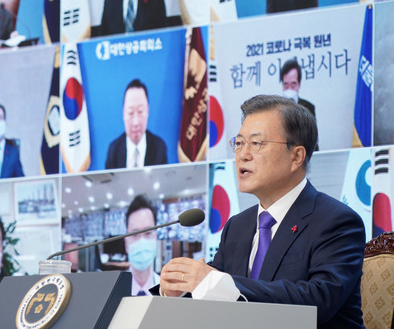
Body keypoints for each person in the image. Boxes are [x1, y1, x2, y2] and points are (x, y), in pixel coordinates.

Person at [156, 95, 365, 328]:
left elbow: (318, 300)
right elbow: (218, 293)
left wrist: (215, 282)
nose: (242, 155)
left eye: (256, 144)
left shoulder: (336, 221)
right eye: (239, 143)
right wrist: (182, 288)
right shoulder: (237, 227)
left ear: (296, 156)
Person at [105, 79, 167, 169]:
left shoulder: (159, 147)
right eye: (130, 112)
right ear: (123, 113)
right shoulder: (114, 150)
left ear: (148, 111)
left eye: (140, 111)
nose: (136, 122)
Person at [280, 58, 318, 150]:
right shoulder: (275, 108)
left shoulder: (309, 107)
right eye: (286, 84)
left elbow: (313, 139)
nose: (289, 88)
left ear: (299, 84)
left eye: (293, 84)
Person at [125, 195, 160, 296]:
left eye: (148, 233)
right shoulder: (112, 294)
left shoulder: (169, 295)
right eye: (135, 234)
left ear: (155, 238)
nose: (142, 241)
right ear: (126, 243)